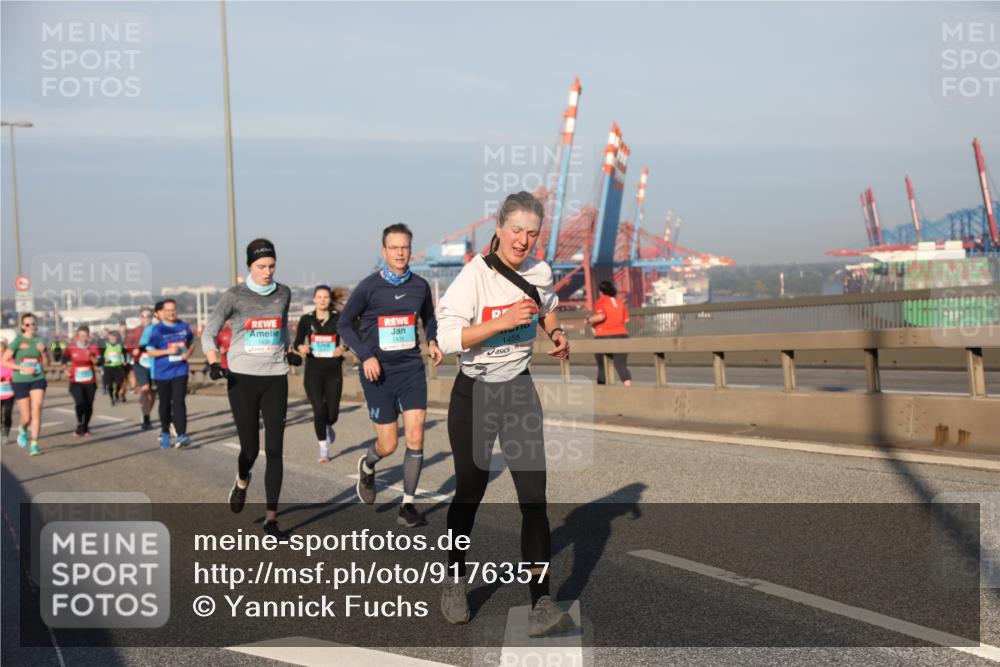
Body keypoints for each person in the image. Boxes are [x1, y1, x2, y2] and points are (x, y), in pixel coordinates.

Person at [435, 191, 573, 637]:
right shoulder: (472, 278)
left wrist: (556, 332)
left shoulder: (539, 271)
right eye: (516, 230)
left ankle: (541, 603)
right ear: (499, 228)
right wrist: (502, 320)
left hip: (518, 391)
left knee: (534, 499)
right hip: (474, 395)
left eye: (532, 234)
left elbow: (547, 307)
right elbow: (451, 337)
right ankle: (455, 579)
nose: (524, 241)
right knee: (469, 496)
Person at [338, 223, 443, 529]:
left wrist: (432, 339)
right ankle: (368, 464)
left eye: (405, 247)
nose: (400, 252)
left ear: (411, 250)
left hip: (410, 369)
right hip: (378, 374)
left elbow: (429, 317)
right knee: (388, 444)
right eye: (394, 247)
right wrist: (365, 355)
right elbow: (345, 324)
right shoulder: (369, 287)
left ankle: (407, 505)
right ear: (384, 251)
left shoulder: (420, 286)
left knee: (416, 434)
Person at [202, 238, 292, 538]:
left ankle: (271, 519)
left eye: (271, 266)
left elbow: (281, 327)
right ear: (249, 266)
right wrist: (215, 361)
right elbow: (209, 331)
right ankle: (242, 479)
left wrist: (288, 350)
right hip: (242, 379)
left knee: (276, 449)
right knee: (250, 449)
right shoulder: (234, 296)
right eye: (261, 266)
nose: (267, 272)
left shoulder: (284, 293)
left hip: (275, 376)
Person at [292, 285, 347, 463]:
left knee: (332, 414)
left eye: (325, 297)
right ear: (314, 299)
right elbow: (297, 342)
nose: (322, 300)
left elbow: (348, 336)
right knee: (319, 410)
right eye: (319, 297)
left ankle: (329, 425)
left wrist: (342, 347)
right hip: (313, 371)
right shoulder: (306, 320)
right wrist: (301, 347)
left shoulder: (338, 318)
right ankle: (323, 449)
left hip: (333, 370)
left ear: (330, 299)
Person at [145, 299, 194, 449]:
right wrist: (168, 351)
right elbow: (150, 351)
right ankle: (165, 431)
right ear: (163, 313)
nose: (171, 313)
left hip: (180, 370)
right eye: (168, 310)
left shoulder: (183, 326)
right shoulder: (157, 330)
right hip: (162, 373)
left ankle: (181, 435)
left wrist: (188, 353)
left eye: (174, 309)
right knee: (165, 404)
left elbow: (192, 342)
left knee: (179, 402)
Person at [1, 313, 50, 456]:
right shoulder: (17, 341)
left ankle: (34, 444)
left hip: (37, 378)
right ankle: (22, 428)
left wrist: (44, 352)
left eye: (33, 324)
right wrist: (22, 368)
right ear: (23, 326)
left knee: (38, 407)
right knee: (27, 417)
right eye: (28, 324)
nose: (31, 327)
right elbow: (4, 361)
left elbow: (47, 364)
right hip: (21, 381)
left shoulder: (41, 340)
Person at [586, 280, 632, 386]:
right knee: (621, 365)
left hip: (603, 337)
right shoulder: (620, 302)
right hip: (622, 335)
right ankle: (628, 388)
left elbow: (601, 316)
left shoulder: (600, 301)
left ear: (601, 291)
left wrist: (588, 320)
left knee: (603, 366)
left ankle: (602, 392)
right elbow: (626, 320)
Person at [61, 325, 101, 436]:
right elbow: (64, 358)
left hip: (90, 381)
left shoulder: (93, 347)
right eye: (81, 335)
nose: (83, 338)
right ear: (77, 336)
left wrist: (91, 356)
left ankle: (85, 426)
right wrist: (65, 369)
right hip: (75, 381)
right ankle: (79, 423)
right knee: (80, 402)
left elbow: (98, 363)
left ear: (89, 336)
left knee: (89, 405)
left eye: (86, 336)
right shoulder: (71, 347)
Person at [126, 307, 158, 430]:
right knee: (145, 388)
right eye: (143, 316)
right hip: (140, 363)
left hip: (154, 363)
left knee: (153, 394)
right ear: (140, 317)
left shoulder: (157, 329)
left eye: (149, 316)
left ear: (152, 317)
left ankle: (146, 413)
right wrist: (132, 350)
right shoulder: (134, 331)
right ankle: (146, 419)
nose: (146, 318)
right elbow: (128, 345)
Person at [102, 330, 127, 406]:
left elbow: (122, 355)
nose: (113, 338)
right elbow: (100, 355)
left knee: (119, 383)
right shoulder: (105, 345)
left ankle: (116, 393)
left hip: (117, 367)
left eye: (115, 337)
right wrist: (103, 360)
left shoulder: (119, 345)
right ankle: (112, 399)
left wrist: (123, 361)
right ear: (109, 337)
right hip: (108, 367)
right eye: (112, 336)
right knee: (109, 385)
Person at [1, 340, 13, 445]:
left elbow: (14, 372)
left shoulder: (11, 360)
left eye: (2, 350)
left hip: (9, 391)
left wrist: (7, 378)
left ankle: (6, 433)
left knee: (7, 414)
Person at [117, 321, 131, 403]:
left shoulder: (129, 335)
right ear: (119, 328)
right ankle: (120, 392)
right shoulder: (116, 337)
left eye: (124, 327)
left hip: (127, 359)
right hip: (117, 359)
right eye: (121, 327)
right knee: (119, 378)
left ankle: (122, 393)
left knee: (126, 378)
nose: (123, 328)